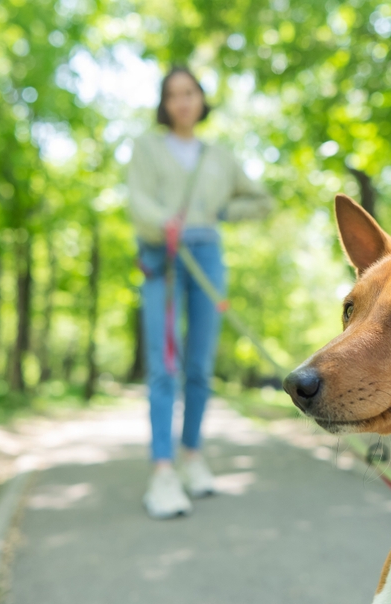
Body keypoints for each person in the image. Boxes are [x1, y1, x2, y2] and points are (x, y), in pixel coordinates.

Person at [128, 66, 272, 518]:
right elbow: (137, 200)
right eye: (173, 95)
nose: (183, 101)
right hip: (162, 257)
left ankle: (192, 455)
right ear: (164, 103)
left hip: (207, 254)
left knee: (199, 366)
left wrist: (221, 211)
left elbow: (262, 200)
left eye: (189, 93)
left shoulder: (219, 156)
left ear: (201, 98)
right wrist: (163, 224)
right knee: (163, 364)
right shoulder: (146, 147)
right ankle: (162, 471)